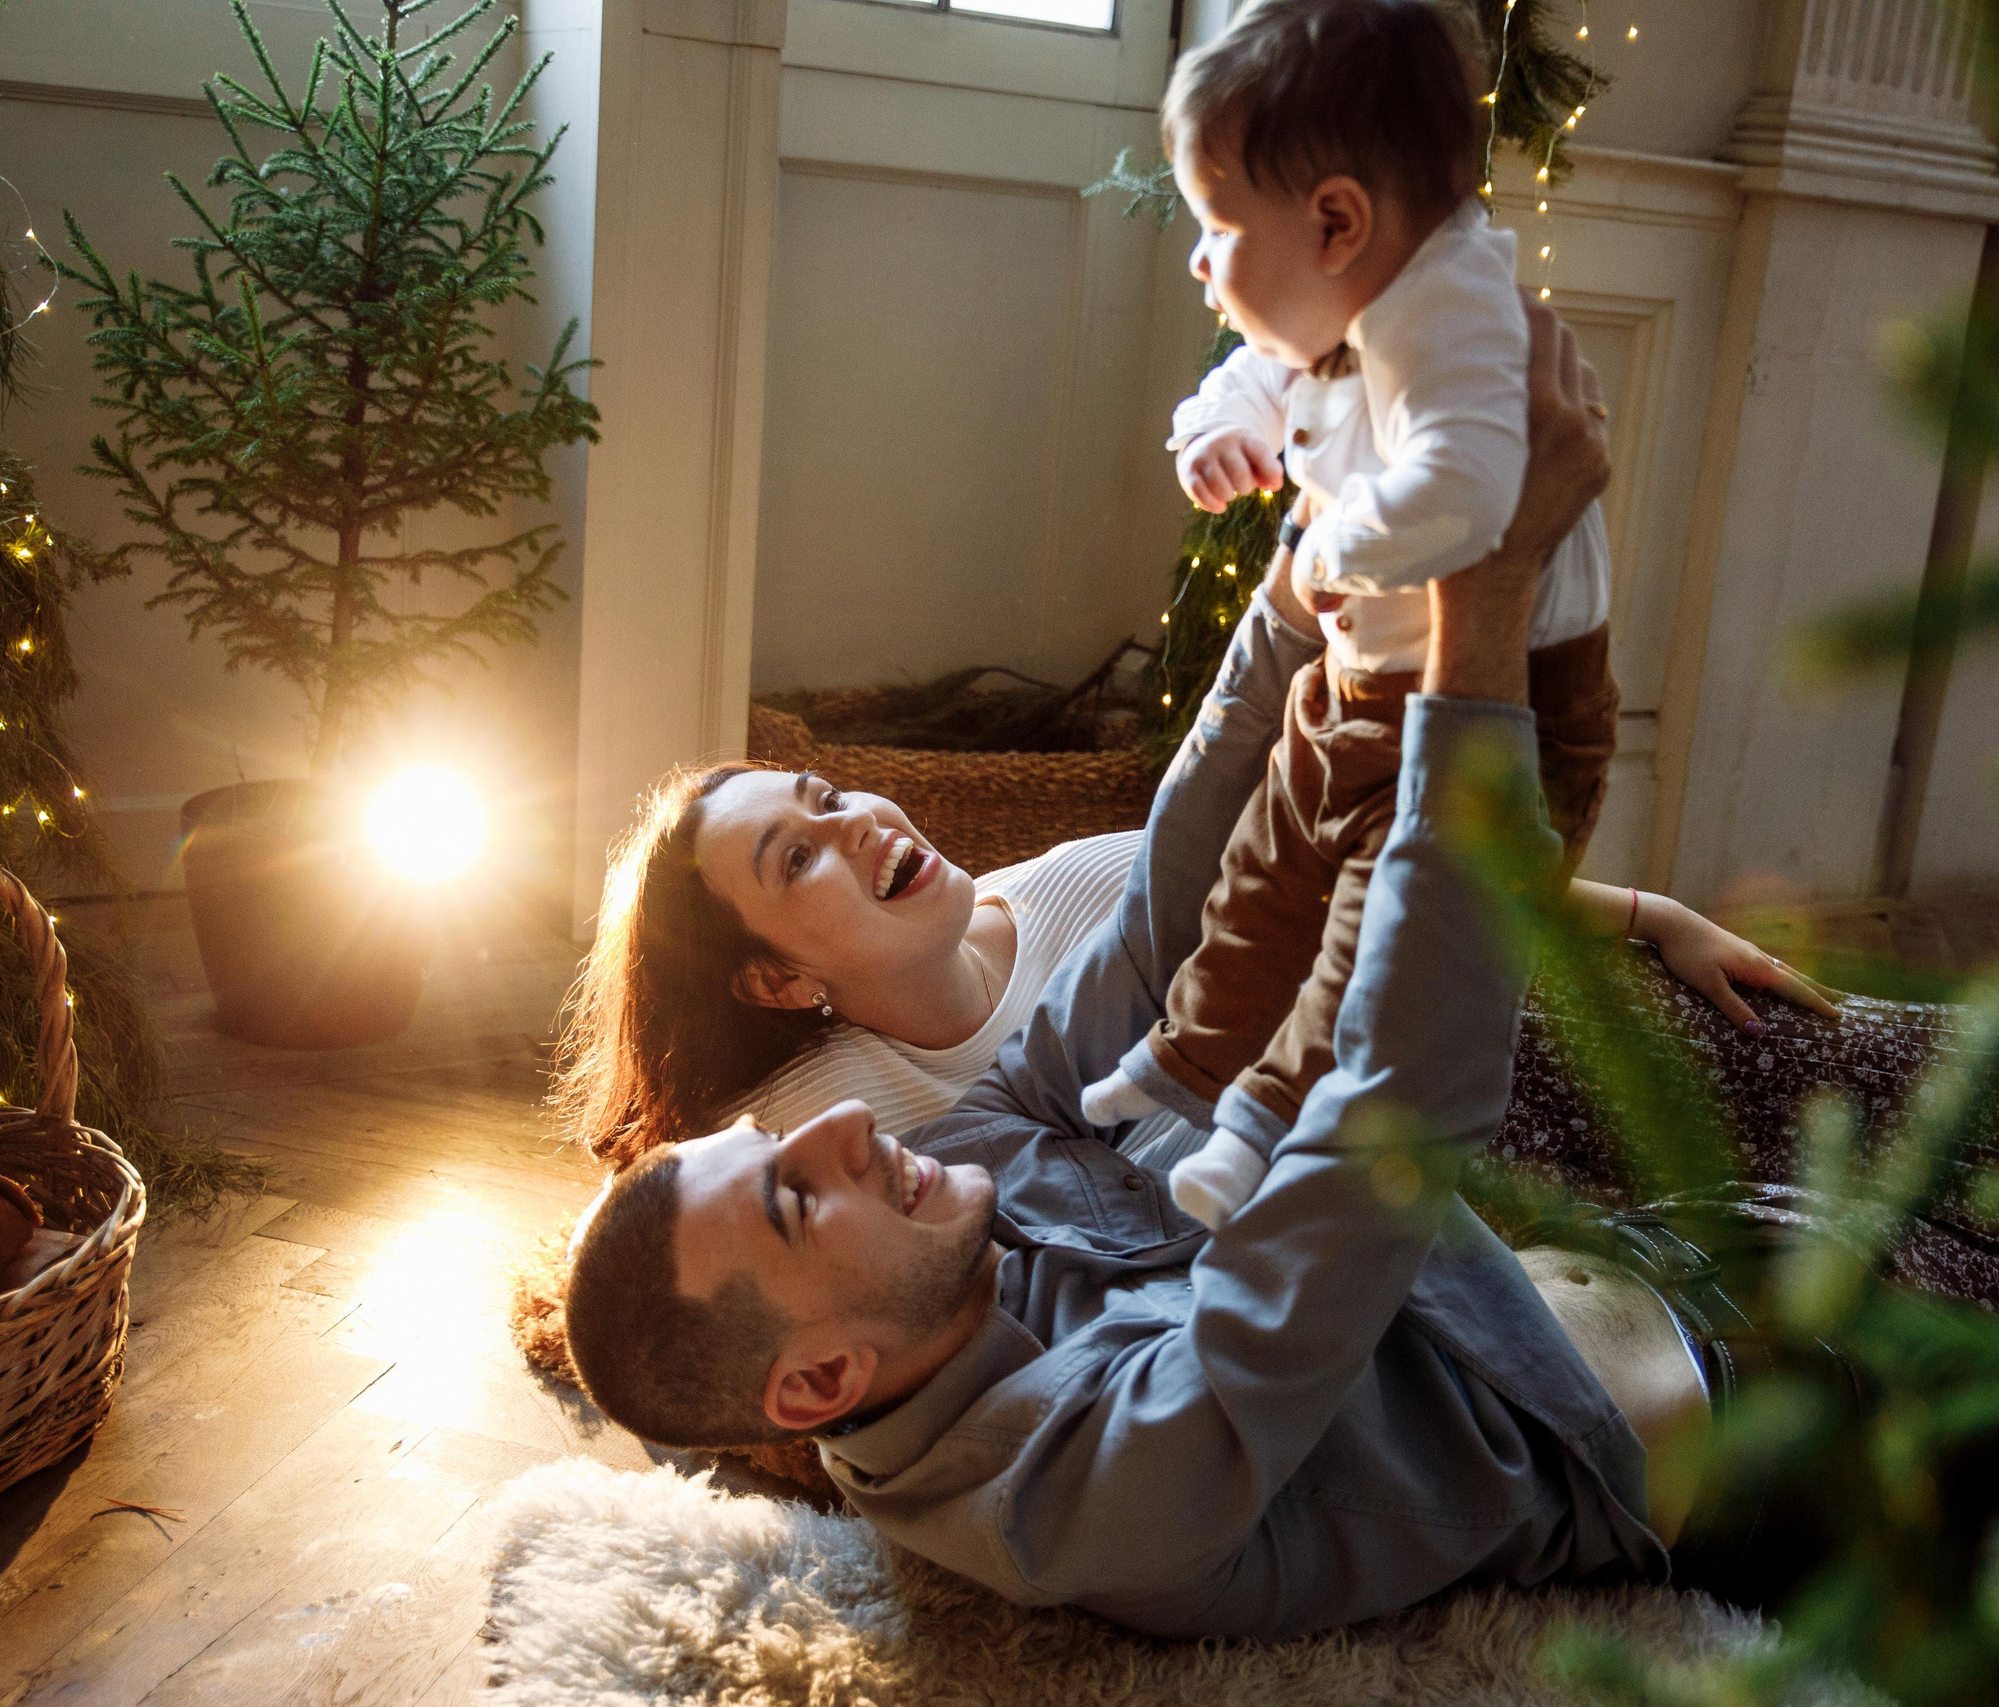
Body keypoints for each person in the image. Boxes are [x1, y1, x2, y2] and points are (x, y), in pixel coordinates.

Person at [563, 304, 1706, 1637]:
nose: (837, 1132)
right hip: (1716, 1431)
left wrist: (1288, 603)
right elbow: (1371, 1155)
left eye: (784, 1146)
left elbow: (1160, 921)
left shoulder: (962, 1182)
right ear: (819, 1380)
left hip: (1595, 1257)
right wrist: (1497, 621)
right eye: (797, 1197)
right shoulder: (1070, 1488)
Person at [1075, 0, 1629, 1228]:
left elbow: (1476, 488)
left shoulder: (1459, 315)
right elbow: (1270, 367)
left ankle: (1269, 1115)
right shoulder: (1349, 292)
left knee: (1371, 935)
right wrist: (1224, 427)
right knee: (1266, 873)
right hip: (1371, 674)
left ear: (1337, 222)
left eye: (1217, 229)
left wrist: (1332, 536)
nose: (1198, 261)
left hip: (1509, 709)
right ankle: (1186, 1059)